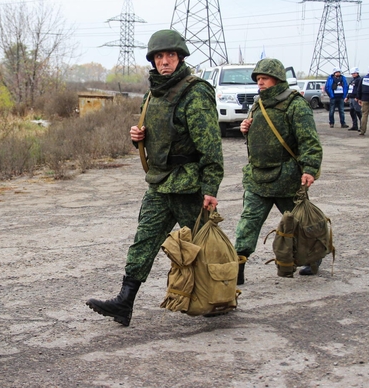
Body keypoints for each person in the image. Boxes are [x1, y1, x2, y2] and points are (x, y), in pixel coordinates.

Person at [86, 29, 224, 326]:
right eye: (159, 57)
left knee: (203, 245)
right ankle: (124, 302)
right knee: (143, 241)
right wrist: (138, 136)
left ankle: (222, 294)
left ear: (180, 57)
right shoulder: (152, 95)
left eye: (170, 55)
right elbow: (154, 134)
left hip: (190, 185)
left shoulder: (195, 92)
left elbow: (211, 147)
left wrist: (210, 187)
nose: (164, 61)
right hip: (160, 183)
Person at [234, 58, 322, 283]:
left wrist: (310, 169)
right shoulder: (258, 104)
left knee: (302, 224)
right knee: (247, 224)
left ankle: (313, 259)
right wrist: (247, 129)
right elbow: (262, 135)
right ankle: (237, 268)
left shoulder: (295, 105)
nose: (259, 83)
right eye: (258, 79)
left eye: (264, 78)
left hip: (287, 178)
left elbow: (309, 141)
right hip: (258, 178)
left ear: (278, 79)